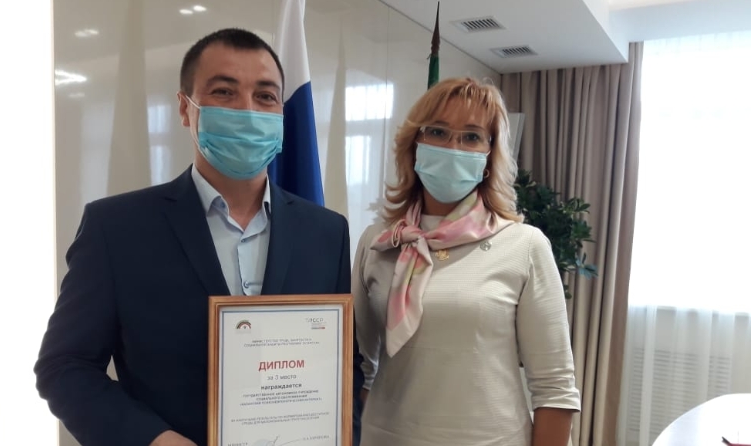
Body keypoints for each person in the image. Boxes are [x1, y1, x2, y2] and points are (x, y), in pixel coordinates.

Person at [35, 28, 364, 446]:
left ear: (282, 112)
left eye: (265, 96)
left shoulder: (327, 232)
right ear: (185, 108)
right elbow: (65, 367)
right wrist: (154, 440)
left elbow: (343, 364)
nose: (248, 110)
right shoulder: (116, 228)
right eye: (224, 92)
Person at [353, 77, 581, 446]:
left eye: (471, 137)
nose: (453, 147)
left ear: (489, 156)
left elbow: (555, 388)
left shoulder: (524, 245)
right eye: (438, 131)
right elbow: (359, 367)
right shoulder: (378, 242)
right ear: (414, 144)